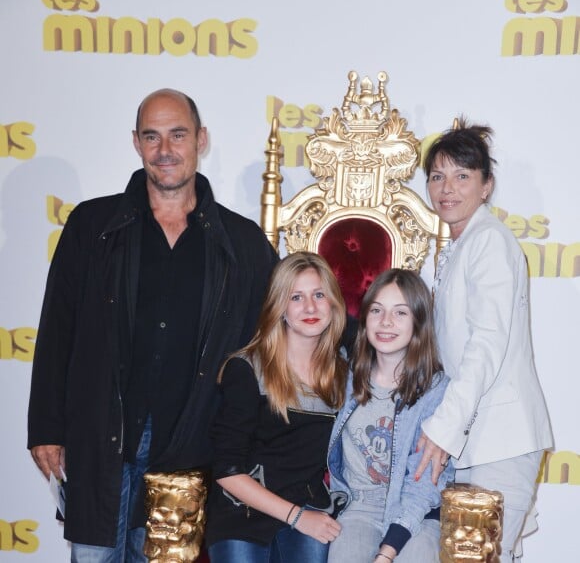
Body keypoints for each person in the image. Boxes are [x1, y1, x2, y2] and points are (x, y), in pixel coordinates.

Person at [27, 88, 278, 562]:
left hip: (189, 446)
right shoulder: (92, 226)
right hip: (98, 437)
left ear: (201, 140)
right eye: (152, 136)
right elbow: (56, 329)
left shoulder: (241, 242)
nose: (165, 150)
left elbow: (281, 328)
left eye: (178, 135)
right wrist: (45, 426)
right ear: (137, 143)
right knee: (94, 557)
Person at [415, 118, 553, 562]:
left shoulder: (489, 241)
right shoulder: (462, 245)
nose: (447, 188)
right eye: (437, 176)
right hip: (478, 440)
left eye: (462, 176)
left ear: (486, 186)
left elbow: (485, 347)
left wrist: (440, 430)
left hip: (501, 439)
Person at [205, 251, 346, 563]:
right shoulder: (245, 369)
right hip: (242, 511)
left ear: (333, 303)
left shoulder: (344, 374)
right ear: (280, 306)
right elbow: (227, 470)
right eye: (296, 297)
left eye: (319, 295)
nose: (310, 307)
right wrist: (296, 517)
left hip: (309, 506)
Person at [327, 268, 454, 563]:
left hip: (416, 512)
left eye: (400, 313)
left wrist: (387, 553)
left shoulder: (437, 391)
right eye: (377, 310)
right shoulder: (344, 377)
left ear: (418, 322)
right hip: (359, 508)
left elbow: (425, 484)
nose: (386, 322)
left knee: (419, 554)